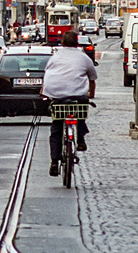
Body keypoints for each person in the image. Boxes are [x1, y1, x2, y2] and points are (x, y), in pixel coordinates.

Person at [40, 29, 97, 176]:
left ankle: (54, 161)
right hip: (78, 96)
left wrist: (44, 91)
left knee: (56, 127)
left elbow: (47, 75)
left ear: (62, 43)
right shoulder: (84, 58)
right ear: (77, 43)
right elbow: (92, 79)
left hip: (57, 95)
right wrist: (91, 94)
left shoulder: (55, 57)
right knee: (81, 113)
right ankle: (80, 139)